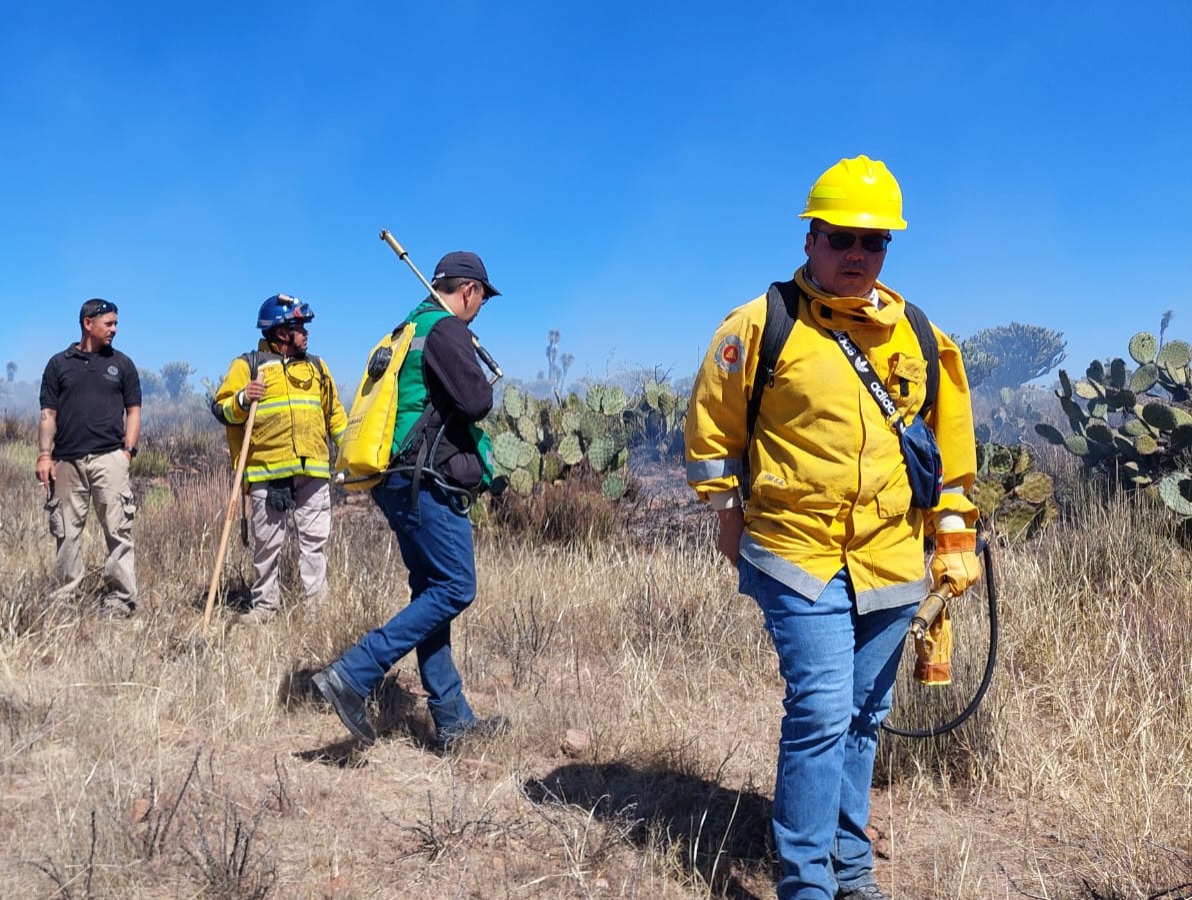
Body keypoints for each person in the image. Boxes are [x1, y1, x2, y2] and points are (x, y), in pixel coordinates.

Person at [684, 155, 983, 900]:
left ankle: (853, 870)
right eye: (842, 237)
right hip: (798, 552)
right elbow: (714, 431)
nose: (858, 255)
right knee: (821, 710)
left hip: (889, 557)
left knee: (865, 717)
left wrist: (953, 545)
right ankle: (806, 881)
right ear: (810, 238)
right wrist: (726, 511)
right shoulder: (760, 325)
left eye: (874, 241)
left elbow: (948, 455)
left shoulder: (919, 333)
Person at [314, 251, 509, 754]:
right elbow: (476, 403)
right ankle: (354, 673)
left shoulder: (407, 329)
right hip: (427, 481)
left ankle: (452, 719)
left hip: (397, 478)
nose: (480, 308)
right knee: (456, 587)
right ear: (468, 291)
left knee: (433, 592)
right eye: (482, 299)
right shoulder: (446, 330)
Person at [211, 294, 347, 625]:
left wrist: (347, 455)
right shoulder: (248, 365)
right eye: (299, 326)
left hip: (313, 468)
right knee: (266, 544)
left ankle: (317, 609)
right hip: (266, 472)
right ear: (280, 332)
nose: (306, 333)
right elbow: (223, 409)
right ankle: (264, 608)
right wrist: (244, 398)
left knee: (314, 543)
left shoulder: (317, 366)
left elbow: (335, 415)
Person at [36, 298, 142, 618]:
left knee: (118, 530)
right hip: (66, 461)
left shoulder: (122, 364)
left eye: (115, 323)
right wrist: (44, 455)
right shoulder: (59, 364)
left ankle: (121, 600)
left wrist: (127, 452)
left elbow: (133, 410)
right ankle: (64, 601)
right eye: (109, 323)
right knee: (66, 532)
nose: (115, 329)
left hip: (110, 458)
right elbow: (47, 413)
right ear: (88, 323)